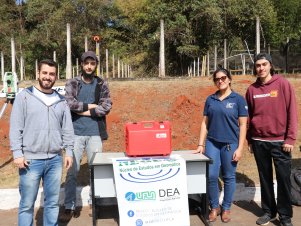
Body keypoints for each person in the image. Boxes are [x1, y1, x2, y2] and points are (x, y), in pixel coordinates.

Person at [9, 59, 74, 226]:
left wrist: (69, 151)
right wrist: (17, 153)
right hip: (31, 160)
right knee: (26, 205)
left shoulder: (61, 100)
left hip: (55, 159)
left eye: (51, 74)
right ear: (38, 73)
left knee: (52, 203)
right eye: (44, 73)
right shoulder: (24, 97)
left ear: (56, 76)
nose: (48, 77)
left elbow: (67, 129)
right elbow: (16, 127)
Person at [246, 53, 298, 226]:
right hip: (259, 141)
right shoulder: (251, 90)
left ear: (270, 65)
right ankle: (268, 211)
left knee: (283, 179)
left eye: (264, 64)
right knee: (265, 178)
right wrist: (250, 140)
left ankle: (285, 217)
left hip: (280, 142)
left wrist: (290, 139)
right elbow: (248, 117)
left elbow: (292, 112)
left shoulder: (282, 84)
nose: (260, 68)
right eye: (258, 65)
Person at [59, 51, 112, 221]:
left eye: (93, 63)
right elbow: (69, 103)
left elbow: (107, 106)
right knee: (72, 171)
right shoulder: (73, 83)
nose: (89, 66)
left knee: (94, 171)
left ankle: (94, 203)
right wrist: (91, 107)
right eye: (86, 63)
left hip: (95, 133)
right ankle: (69, 205)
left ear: (96, 65)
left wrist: (84, 112)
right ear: (81, 64)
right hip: (74, 134)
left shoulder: (101, 83)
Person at [194, 68, 248, 223]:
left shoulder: (238, 100)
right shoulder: (210, 100)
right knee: (211, 176)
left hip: (230, 144)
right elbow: (205, 123)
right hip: (212, 142)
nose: (220, 81)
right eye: (217, 79)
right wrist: (200, 144)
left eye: (223, 77)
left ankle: (226, 208)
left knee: (229, 177)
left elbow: (243, 125)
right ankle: (214, 207)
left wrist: (240, 148)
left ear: (229, 79)